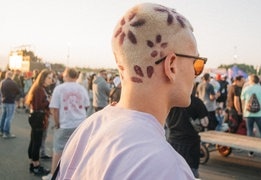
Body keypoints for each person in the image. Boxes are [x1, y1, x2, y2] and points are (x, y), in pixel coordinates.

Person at [56, 3, 206, 179]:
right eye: (196, 63)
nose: (197, 73)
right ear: (171, 66)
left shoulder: (88, 128)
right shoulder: (167, 168)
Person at [42, 68, 90, 180]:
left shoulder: (59, 89)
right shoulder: (82, 89)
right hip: (80, 123)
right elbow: (87, 105)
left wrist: (57, 123)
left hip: (64, 124)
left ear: (66, 75)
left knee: (58, 150)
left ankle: (53, 174)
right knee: (78, 150)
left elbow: (55, 109)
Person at [166, 95, 209, 178]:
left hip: (173, 141)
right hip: (191, 144)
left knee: (173, 172)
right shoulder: (196, 102)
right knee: (192, 173)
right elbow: (205, 122)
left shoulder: (169, 101)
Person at [25, 69, 53, 176]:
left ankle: (33, 163)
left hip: (36, 117)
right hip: (38, 117)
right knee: (36, 142)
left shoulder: (40, 88)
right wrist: (48, 101)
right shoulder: (39, 89)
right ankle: (35, 166)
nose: (51, 80)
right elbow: (38, 106)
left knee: (34, 141)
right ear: (43, 78)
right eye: (49, 78)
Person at [0, 71, 20, 138]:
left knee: (3, 116)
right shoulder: (13, 83)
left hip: (4, 101)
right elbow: (18, 91)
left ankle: (1, 130)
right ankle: (6, 132)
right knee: (9, 117)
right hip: (10, 101)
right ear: (11, 76)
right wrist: (13, 95)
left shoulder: (2, 82)